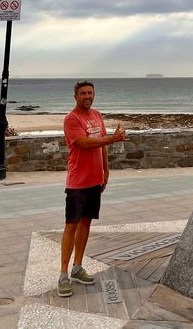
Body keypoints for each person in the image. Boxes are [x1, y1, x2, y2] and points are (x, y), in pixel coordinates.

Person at [58, 79, 126, 297]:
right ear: (76, 96)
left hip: (95, 180)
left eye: (90, 93)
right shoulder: (71, 119)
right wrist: (112, 140)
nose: (87, 96)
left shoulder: (97, 114)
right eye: (83, 93)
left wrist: (106, 170)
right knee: (72, 225)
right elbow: (84, 143)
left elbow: (101, 144)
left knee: (86, 223)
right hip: (78, 182)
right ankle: (63, 275)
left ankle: (78, 267)